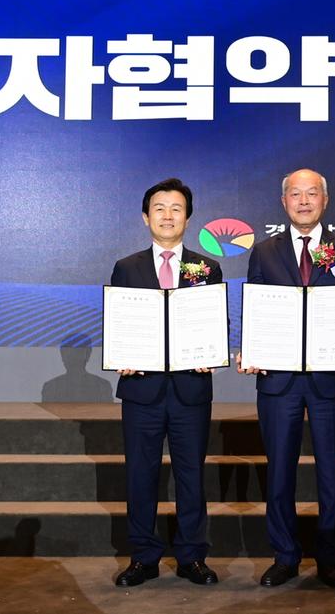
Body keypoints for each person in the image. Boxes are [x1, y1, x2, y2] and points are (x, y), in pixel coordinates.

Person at [237, 168, 335, 588]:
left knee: (332, 473)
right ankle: (285, 556)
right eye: (295, 194)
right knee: (279, 472)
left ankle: (330, 558)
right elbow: (256, 306)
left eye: (312, 193)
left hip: (331, 378)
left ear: (325, 201)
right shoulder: (264, 251)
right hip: (279, 380)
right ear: (284, 202)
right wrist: (251, 348)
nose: (304, 201)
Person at [110, 178, 222, 587]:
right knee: (141, 476)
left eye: (176, 208)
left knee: (191, 476)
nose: (168, 216)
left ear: (188, 218)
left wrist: (213, 350)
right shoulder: (127, 267)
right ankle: (143, 557)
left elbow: (216, 320)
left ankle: (192, 557)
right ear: (146, 217)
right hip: (142, 390)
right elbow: (119, 321)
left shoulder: (207, 267)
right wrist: (121, 354)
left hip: (191, 389)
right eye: (159, 208)